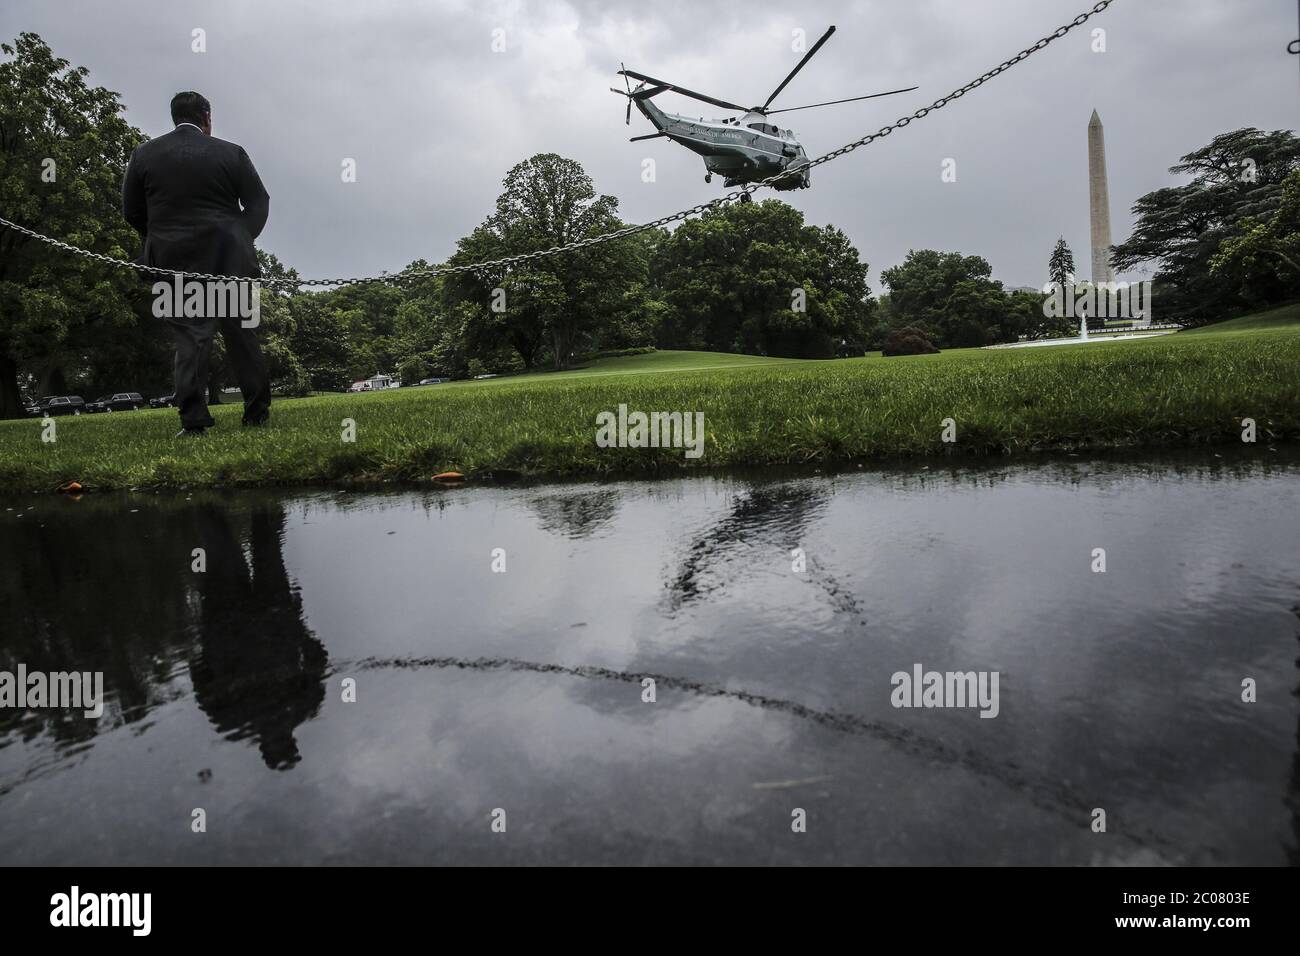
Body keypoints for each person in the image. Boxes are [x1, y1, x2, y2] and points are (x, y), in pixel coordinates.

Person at [122, 91, 272, 436]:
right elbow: (258, 201)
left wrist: (158, 238)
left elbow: (131, 210)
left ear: (175, 117)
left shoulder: (144, 154)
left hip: (175, 263)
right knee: (242, 335)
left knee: (190, 339)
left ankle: (193, 421)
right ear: (207, 117)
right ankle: (256, 415)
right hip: (227, 259)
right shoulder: (230, 152)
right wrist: (240, 238)